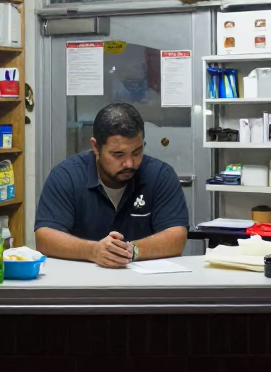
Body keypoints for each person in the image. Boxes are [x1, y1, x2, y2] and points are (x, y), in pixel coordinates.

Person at [35, 103, 189, 267]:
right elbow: (45, 237)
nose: (129, 163)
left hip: (145, 283)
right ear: (95, 147)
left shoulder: (160, 175)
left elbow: (176, 236)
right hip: (82, 283)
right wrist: (92, 251)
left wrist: (130, 250)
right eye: (118, 154)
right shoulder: (66, 176)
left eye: (137, 152)